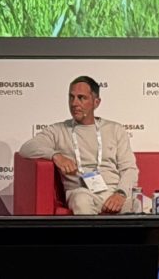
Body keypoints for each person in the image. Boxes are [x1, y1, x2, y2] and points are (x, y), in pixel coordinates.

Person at [18, 75, 140, 215]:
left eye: (81, 98)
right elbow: (26, 148)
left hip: (113, 192)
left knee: (144, 204)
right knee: (81, 201)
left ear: (96, 102)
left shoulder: (115, 129)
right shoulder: (58, 130)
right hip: (81, 192)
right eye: (71, 97)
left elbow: (129, 169)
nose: (74, 103)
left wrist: (121, 194)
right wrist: (55, 156)